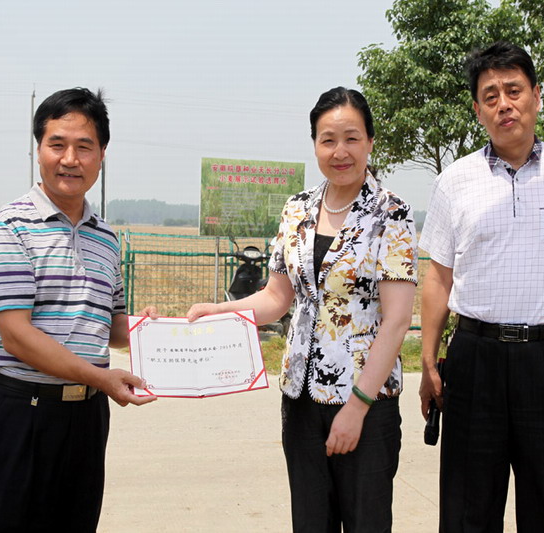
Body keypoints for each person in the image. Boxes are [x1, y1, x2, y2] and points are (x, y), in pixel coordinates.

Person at [173, 87, 418, 532]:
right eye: (328, 140)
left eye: (352, 138)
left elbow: (397, 320)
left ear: (370, 141)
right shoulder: (297, 209)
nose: (340, 151)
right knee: (309, 522)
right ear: (314, 145)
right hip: (300, 398)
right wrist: (220, 311)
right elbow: (276, 297)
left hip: (365, 401)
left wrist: (357, 407)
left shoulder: (391, 212)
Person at [419, 42, 544, 533]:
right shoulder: (455, 181)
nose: (504, 104)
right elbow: (437, 277)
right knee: (467, 512)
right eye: (491, 95)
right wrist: (428, 360)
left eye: (514, 91)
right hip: (472, 359)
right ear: (477, 110)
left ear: (536, 96)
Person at [0, 87, 156, 533]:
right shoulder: (9, 226)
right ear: (38, 149)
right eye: (57, 144)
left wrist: (153, 331)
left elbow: (109, 324)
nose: (70, 159)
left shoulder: (105, 237)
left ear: (102, 155)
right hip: (24, 411)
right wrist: (102, 377)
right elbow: (16, 335)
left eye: (84, 147)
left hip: (88, 417)